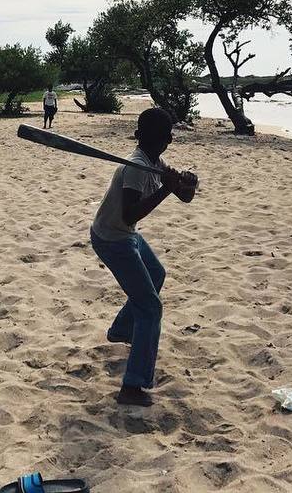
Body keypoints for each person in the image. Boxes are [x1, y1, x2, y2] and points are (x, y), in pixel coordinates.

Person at [90, 108, 198, 407]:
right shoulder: (137, 167)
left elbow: (185, 197)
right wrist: (166, 188)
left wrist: (187, 182)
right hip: (113, 239)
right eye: (166, 136)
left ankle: (121, 330)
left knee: (157, 275)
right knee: (150, 308)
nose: (169, 141)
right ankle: (132, 387)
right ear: (162, 139)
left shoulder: (154, 161)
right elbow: (129, 214)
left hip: (123, 234)